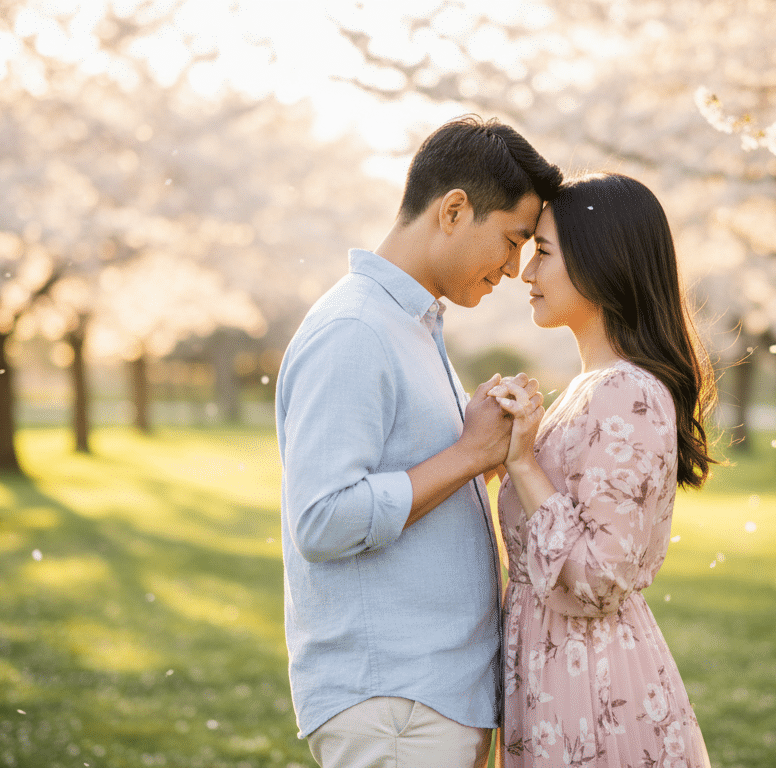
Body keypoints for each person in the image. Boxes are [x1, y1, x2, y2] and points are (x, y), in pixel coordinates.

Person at [274, 115, 561, 768]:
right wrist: (467, 454)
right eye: (513, 240)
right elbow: (322, 518)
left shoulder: (410, 326)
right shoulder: (356, 330)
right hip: (394, 701)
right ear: (455, 210)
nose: (515, 268)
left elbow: (418, 480)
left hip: (428, 698)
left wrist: (491, 447)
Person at [489, 173, 717, 767]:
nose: (525, 273)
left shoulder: (628, 394)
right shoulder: (592, 389)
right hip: (555, 676)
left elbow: (597, 579)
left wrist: (522, 463)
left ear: (600, 262)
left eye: (543, 252)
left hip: (590, 691)